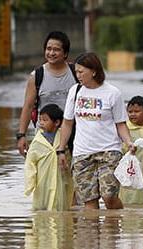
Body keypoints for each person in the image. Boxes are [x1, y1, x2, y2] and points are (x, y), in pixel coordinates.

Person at [57, 52, 136, 210]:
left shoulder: (112, 93)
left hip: (109, 152)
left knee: (109, 197)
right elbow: (67, 123)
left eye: (81, 72)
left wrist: (129, 142)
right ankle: (91, 234)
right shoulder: (75, 91)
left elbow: (120, 124)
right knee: (89, 202)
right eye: (76, 72)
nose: (78, 75)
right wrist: (61, 149)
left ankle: (114, 230)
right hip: (82, 154)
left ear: (93, 71)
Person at [16, 31, 77, 157]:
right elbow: (27, 107)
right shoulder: (37, 76)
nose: (51, 53)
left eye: (56, 49)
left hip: (74, 135)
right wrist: (21, 135)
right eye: (48, 49)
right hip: (45, 136)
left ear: (65, 53)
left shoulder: (76, 73)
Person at [24, 104, 74, 211]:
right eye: (40, 119)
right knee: (42, 208)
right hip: (43, 181)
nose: (41, 123)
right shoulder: (37, 141)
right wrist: (30, 182)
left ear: (57, 122)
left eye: (45, 120)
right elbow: (30, 162)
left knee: (61, 208)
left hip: (60, 178)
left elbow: (69, 157)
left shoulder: (63, 139)